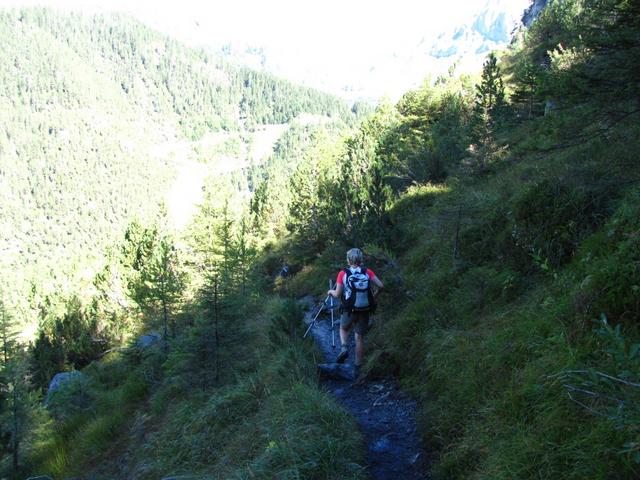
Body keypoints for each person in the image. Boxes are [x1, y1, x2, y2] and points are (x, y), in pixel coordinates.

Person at [327, 248, 384, 373]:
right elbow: (381, 286)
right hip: (365, 309)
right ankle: (358, 367)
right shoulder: (367, 271)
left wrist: (330, 291)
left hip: (349, 309)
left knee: (343, 328)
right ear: (360, 259)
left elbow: (337, 294)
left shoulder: (343, 273)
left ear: (348, 260)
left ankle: (344, 348)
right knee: (359, 337)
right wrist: (373, 297)